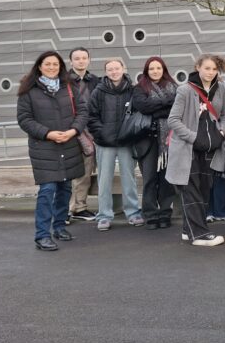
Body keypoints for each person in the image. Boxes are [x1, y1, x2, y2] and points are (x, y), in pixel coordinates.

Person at [17, 51, 87, 251]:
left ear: (60, 67)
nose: (52, 67)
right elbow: (24, 119)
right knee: (47, 190)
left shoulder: (69, 86)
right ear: (39, 66)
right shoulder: (28, 90)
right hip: (44, 147)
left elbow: (83, 112)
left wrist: (73, 131)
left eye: (55, 64)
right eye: (47, 64)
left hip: (68, 144)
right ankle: (42, 235)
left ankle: (59, 227)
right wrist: (48, 133)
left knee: (65, 188)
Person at [165, 54, 225, 247]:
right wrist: (193, 137)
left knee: (203, 190)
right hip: (188, 148)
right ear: (198, 67)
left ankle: (189, 230)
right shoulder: (185, 90)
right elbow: (173, 120)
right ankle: (200, 234)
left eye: (214, 69)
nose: (210, 72)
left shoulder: (220, 89)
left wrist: (222, 132)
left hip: (211, 147)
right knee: (191, 190)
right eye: (207, 68)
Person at [88, 58, 142, 231]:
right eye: (110, 69)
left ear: (123, 68)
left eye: (117, 68)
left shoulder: (133, 90)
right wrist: (102, 133)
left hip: (126, 141)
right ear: (106, 72)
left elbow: (138, 114)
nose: (114, 72)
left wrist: (131, 133)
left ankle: (133, 212)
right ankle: (104, 215)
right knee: (104, 179)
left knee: (129, 178)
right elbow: (91, 116)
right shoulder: (98, 91)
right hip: (105, 143)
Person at [131, 56, 178, 229]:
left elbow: (176, 109)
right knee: (149, 178)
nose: (155, 71)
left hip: (168, 140)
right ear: (146, 71)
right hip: (147, 140)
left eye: (158, 68)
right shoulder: (139, 88)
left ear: (163, 69)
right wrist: (165, 104)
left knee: (166, 179)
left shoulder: (174, 87)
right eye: (151, 68)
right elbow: (143, 107)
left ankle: (165, 213)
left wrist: (155, 110)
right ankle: (150, 214)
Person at [66, 47, 99, 221]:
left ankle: (79, 207)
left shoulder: (95, 81)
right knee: (69, 173)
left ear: (89, 60)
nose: (81, 61)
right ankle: (65, 210)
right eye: (77, 58)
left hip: (91, 132)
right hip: (70, 131)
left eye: (84, 58)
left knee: (85, 171)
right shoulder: (63, 80)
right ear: (71, 61)